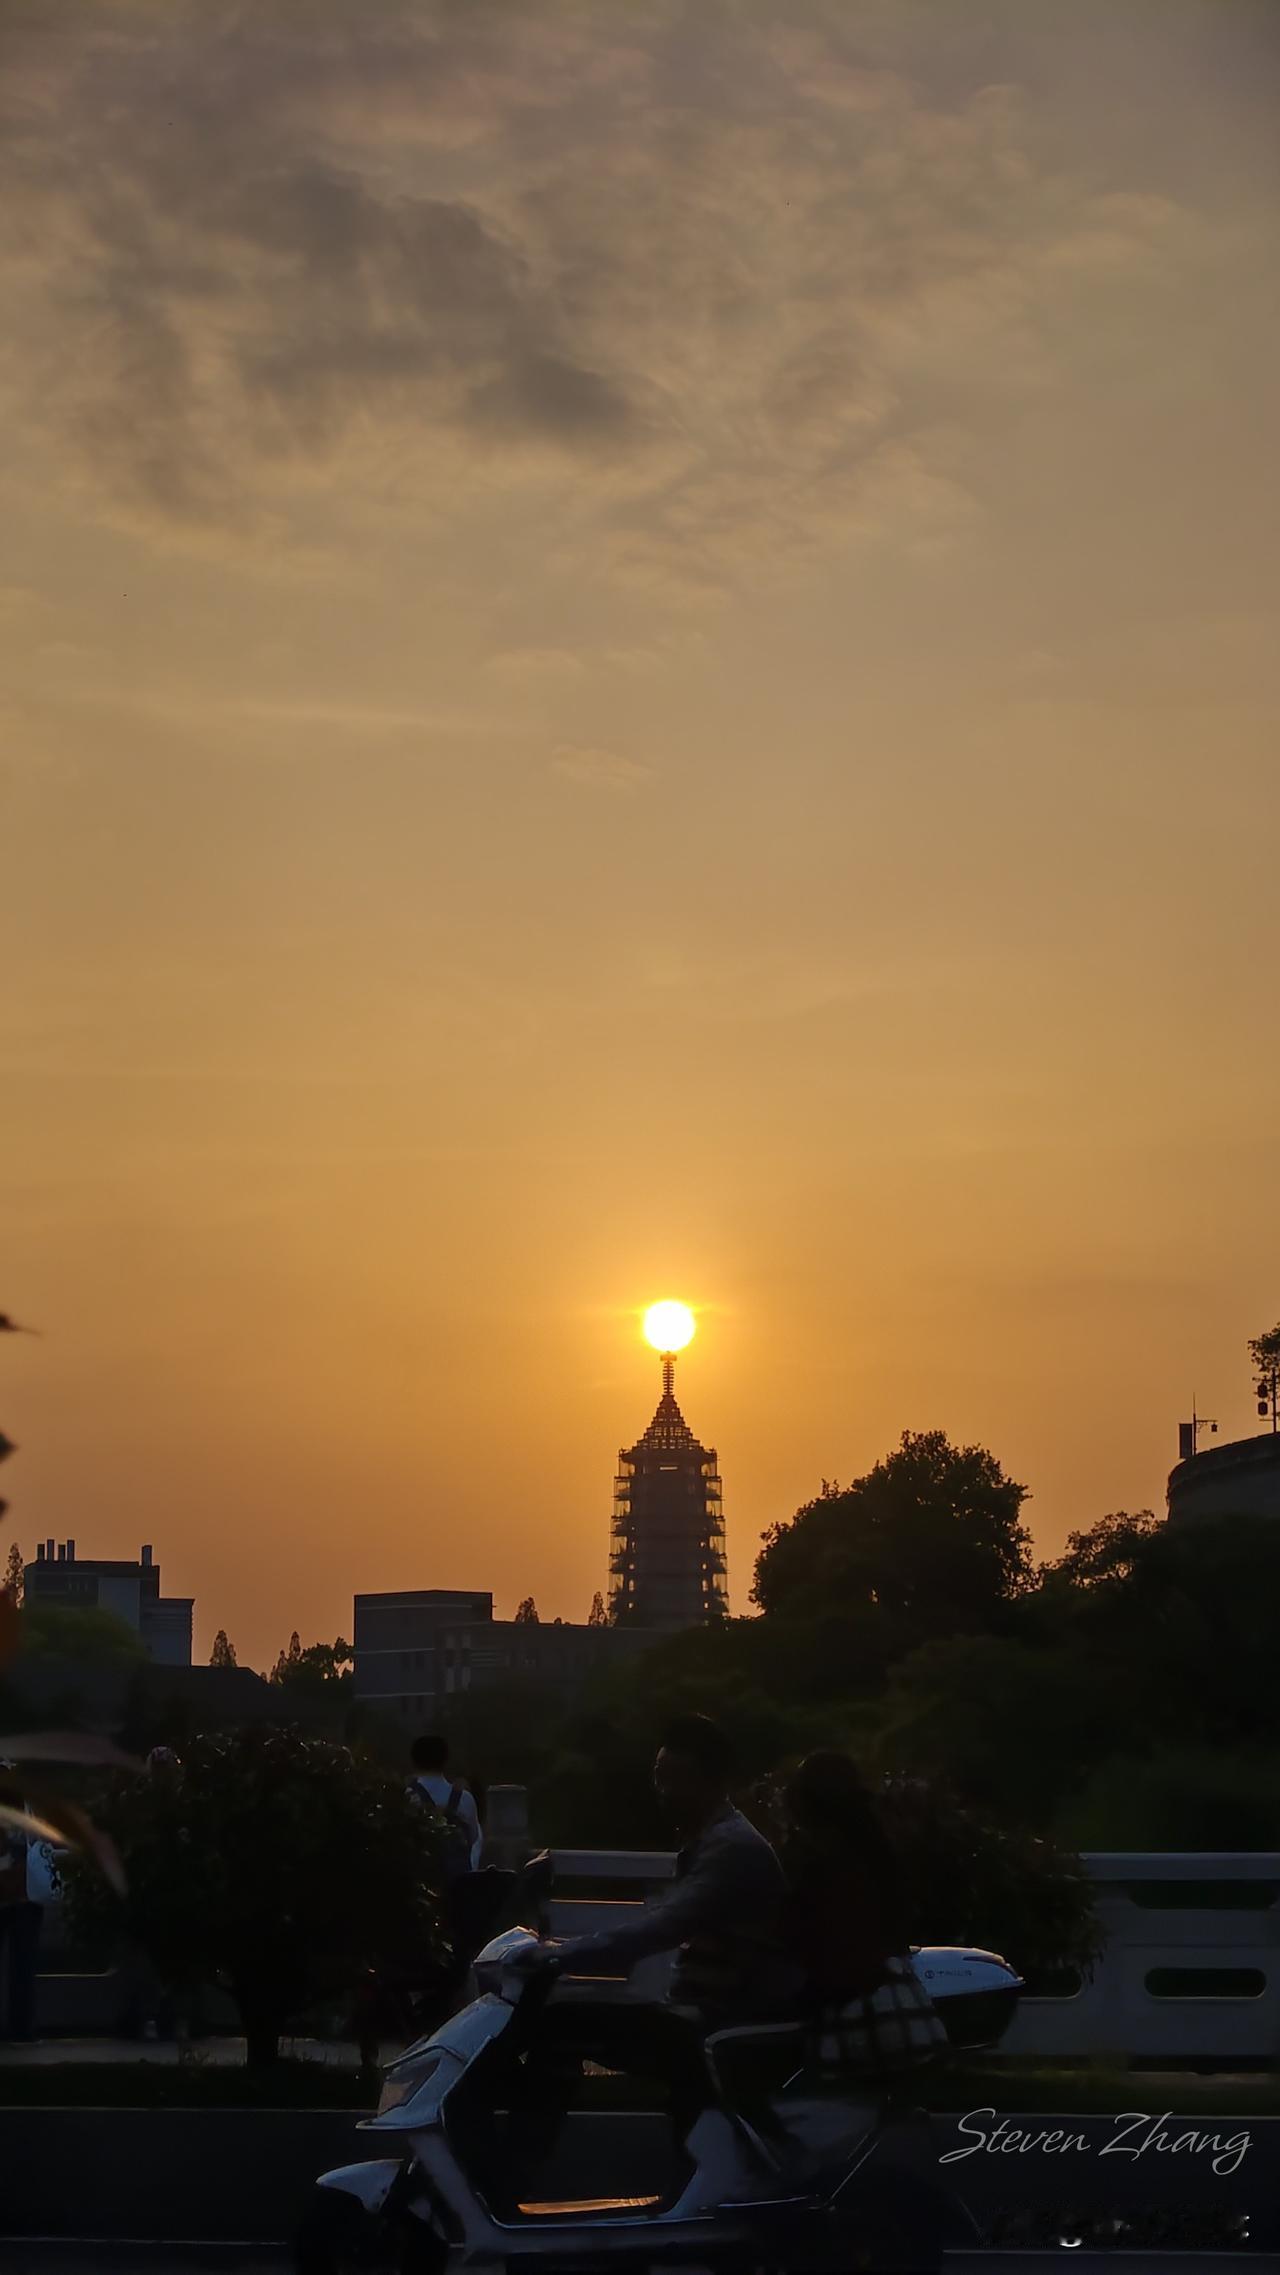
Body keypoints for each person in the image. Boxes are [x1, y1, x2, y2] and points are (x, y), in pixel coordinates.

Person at [510, 1715, 800, 2168]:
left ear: (712, 1781)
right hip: (706, 2019)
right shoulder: (712, 1842)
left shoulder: (732, 1850)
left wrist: (559, 1954)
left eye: (675, 1779)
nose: (662, 1791)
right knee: (566, 2027)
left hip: (721, 2028)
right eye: (658, 1777)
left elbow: (662, 1927)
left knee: (560, 2028)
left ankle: (514, 2169)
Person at [0, 1783, 43, 2043]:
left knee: (23, 1967)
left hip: (20, 1897)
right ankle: (22, 2029)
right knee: (23, 1967)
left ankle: (21, 2028)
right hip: (24, 1895)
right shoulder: (27, 1809)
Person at [409, 1735, 483, 1873]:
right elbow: (473, 1839)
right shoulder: (465, 1799)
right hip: (458, 1885)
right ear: (445, 1761)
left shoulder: (407, 1797)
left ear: (414, 1761)